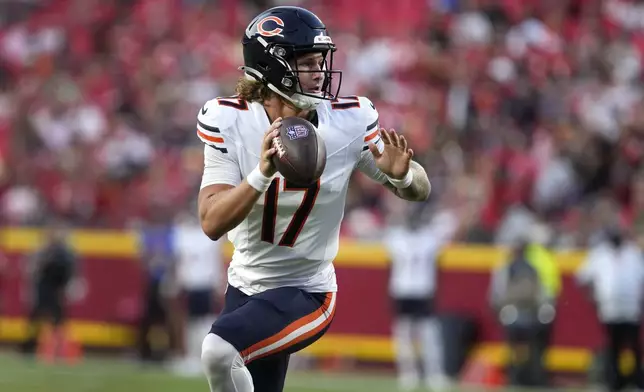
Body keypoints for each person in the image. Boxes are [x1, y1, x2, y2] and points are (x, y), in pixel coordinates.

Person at [196, 6, 431, 392]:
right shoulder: (229, 120)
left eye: (320, 60)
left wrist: (402, 174)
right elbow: (211, 221)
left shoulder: (349, 122)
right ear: (272, 68)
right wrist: (262, 172)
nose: (320, 72)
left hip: (308, 290)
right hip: (244, 286)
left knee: (219, 351)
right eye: (306, 63)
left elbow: (420, 190)